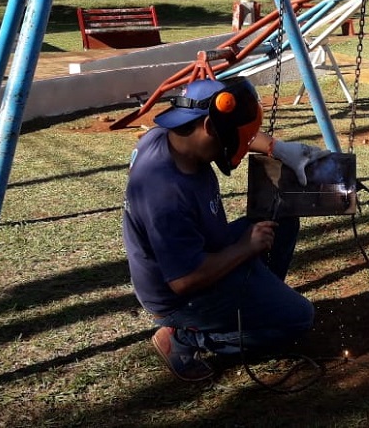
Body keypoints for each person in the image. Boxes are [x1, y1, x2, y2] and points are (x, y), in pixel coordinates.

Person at [122, 77, 330, 381]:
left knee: (280, 218)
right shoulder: (165, 193)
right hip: (181, 297)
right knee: (298, 319)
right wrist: (245, 247)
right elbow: (184, 282)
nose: (237, 147)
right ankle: (185, 337)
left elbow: (228, 126)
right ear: (208, 127)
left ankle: (252, 303)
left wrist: (278, 148)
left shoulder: (166, 137)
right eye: (231, 138)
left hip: (208, 250)